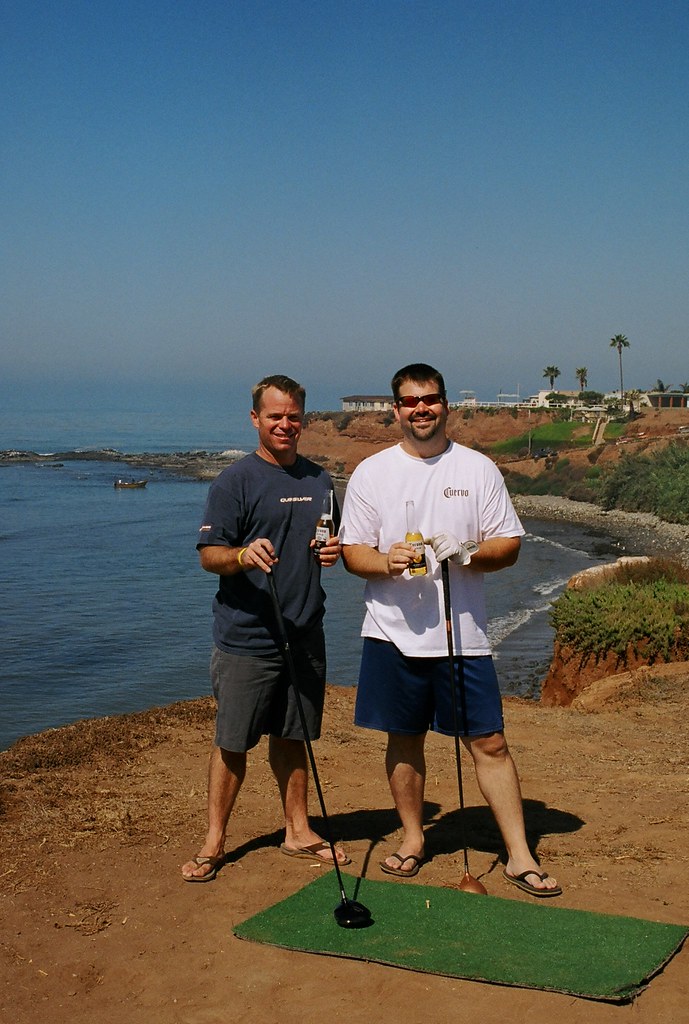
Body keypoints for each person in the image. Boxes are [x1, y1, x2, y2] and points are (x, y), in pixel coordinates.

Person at [340, 362, 561, 897]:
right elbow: (352, 553)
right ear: (396, 408)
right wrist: (386, 561)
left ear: (445, 405)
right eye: (411, 401)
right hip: (392, 631)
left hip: (462, 633)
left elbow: (508, 546)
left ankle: (519, 855)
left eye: (431, 399)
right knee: (404, 738)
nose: (422, 408)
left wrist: (466, 553)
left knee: (489, 740)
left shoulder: (478, 468)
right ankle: (414, 840)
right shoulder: (371, 472)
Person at [182, 374, 348, 882]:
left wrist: (333, 553)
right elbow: (209, 555)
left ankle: (297, 831)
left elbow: (328, 543)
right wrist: (241, 553)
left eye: (292, 415)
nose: (284, 424)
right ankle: (214, 842)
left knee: (293, 735)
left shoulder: (321, 482)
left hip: (304, 633)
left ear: (304, 419)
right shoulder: (235, 481)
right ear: (255, 419)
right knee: (233, 741)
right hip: (247, 639)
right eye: (274, 416)